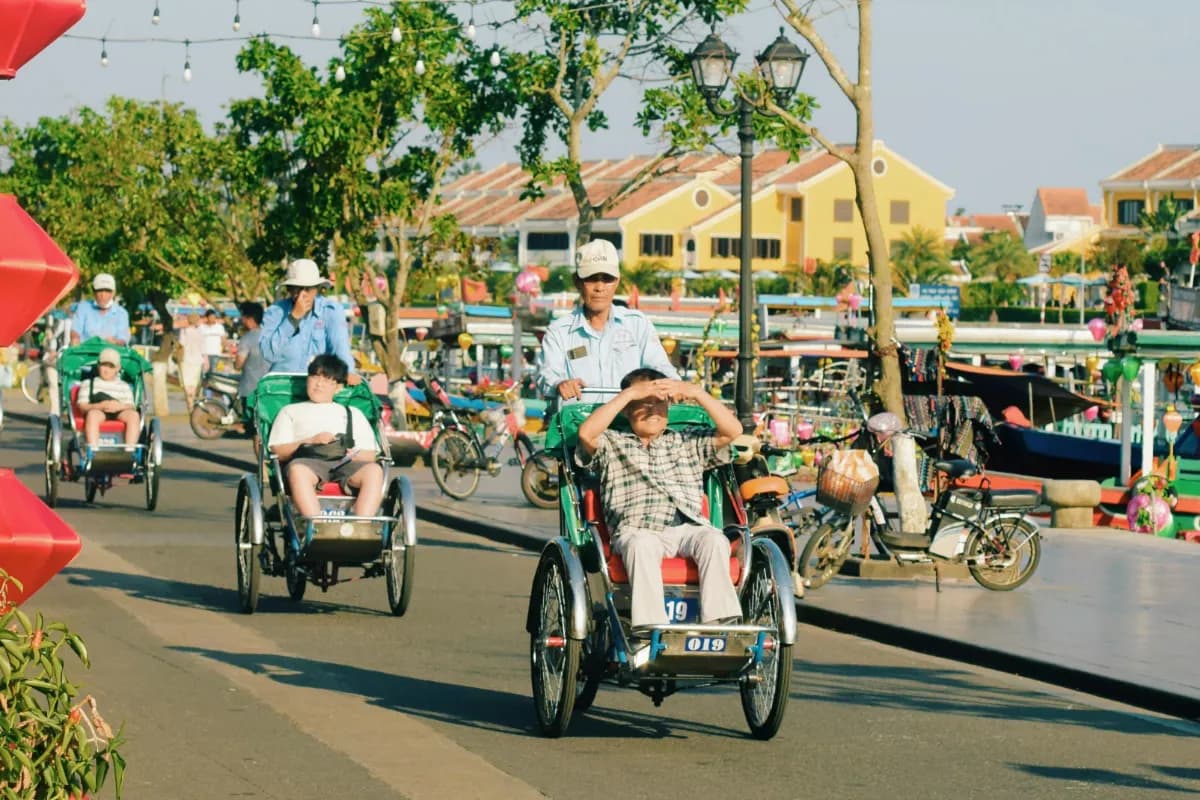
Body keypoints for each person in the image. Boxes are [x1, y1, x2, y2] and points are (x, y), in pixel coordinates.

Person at [577, 367, 743, 633]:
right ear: (627, 410)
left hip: (687, 526)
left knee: (715, 539)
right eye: (642, 404)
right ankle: (651, 629)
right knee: (641, 545)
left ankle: (717, 626)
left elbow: (733, 430)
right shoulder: (613, 443)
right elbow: (586, 434)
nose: (652, 410)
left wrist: (696, 392)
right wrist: (631, 393)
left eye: (658, 403)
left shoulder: (686, 441)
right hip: (638, 528)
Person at [538, 240, 677, 404]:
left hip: (630, 424)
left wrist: (673, 383)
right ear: (577, 282)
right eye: (591, 279)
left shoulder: (638, 324)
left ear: (617, 281)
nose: (599, 287)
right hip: (579, 424)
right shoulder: (559, 331)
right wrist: (559, 384)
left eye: (607, 279)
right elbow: (547, 375)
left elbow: (659, 366)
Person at [268, 355, 382, 518]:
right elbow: (277, 450)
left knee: (374, 471)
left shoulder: (352, 413)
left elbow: (370, 455)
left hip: (345, 462)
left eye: (328, 380)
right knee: (297, 470)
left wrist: (351, 452)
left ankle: (362, 525)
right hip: (307, 462)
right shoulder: (290, 411)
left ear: (338, 387)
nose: (319, 384)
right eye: (315, 377)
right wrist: (310, 441)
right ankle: (314, 526)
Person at [260, 258, 358, 384]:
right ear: (289, 290)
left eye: (307, 289)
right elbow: (268, 354)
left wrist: (348, 374)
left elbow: (341, 351)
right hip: (282, 387)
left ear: (316, 289)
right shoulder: (275, 312)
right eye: (296, 289)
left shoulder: (331, 311)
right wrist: (293, 319)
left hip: (319, 387)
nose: (301, 295)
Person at [76, 347, 140, 447]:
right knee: (92, 415)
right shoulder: (88, 384)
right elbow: (82, 406)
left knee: (134, 416)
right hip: (98, 411)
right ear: (98, 366)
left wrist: (119, 407)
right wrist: (100, 406)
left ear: (118, 368)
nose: (106, 370)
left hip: (119, 411)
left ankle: (130, 450)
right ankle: (93, 449)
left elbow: (131, 406)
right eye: (104, 365)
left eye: (111, 366)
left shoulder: (124, 386)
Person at [71, 273, 130, 346]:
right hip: (85, 352)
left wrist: (115, 342)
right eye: (99, 290)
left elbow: (123, 339)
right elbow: (75, 332)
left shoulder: (121, 313)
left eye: (107, 291)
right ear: (94, 291)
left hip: (111, 351)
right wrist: (75, 339)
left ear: (113, 292)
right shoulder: (83, 308)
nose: (103, 295)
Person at [235, 302, 268, 430]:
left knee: (255, 432)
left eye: (243, 316)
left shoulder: (246, 339)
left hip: (250, 389)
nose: (242, 320)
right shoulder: (270, 336)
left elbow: (239, 364)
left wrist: (236, 363)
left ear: (249, 319)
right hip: (268, 389)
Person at [177, 312, 206, 409]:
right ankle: (192, 402)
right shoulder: (200, 332)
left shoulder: (184, 331)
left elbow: (181, 344)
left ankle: (189, 404)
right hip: (198, 360)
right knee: (193, 384)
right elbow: (203, 348)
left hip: (186, 360)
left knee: (186, 384)